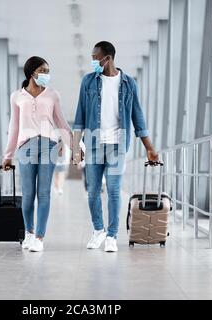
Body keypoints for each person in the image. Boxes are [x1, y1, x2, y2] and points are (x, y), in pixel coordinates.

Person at [72, 41, 159, 253]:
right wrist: (75, 148)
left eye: (95, 58)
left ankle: (111, 235)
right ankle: (98, 230)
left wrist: (150, 148)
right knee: (92, 191)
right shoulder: (88, 82)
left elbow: (138, 117)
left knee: (113, 190)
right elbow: (80, 116)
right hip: (93, 144)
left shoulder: (129, 83)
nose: (93, 62)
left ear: (107, 58)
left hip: (118, 145)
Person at [2, 56, 73, 253]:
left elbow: (61, 123)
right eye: (42, 70)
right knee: (28, 194)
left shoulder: (52, 95)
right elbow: (14, 126)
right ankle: (29, 233)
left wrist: (74, 147)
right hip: (25, 147)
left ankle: (40, 238)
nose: (46, 75)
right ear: (32, 72)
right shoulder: (17, 96)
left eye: (47, 71)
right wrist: (8, 154)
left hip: (49, 145)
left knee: (43, 193)